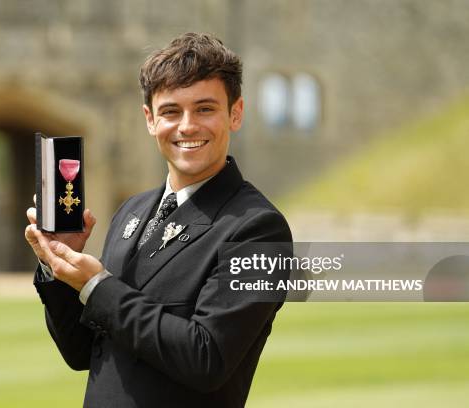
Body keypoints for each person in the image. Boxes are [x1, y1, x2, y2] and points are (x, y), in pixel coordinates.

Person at [25, 32, 292, 407]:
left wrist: (97, 285)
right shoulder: (131, 211)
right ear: (150, 119)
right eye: (170, 111)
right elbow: (82, 353)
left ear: (235, 113)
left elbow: (207, 359)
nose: (186, 126)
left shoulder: (258, 229)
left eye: (204, 109)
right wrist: (57, 265)